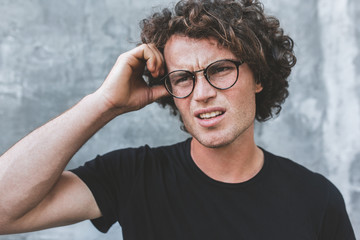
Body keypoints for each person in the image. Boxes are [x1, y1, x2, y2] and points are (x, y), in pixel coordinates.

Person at [0, 0, 356, 239]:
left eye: (220, 70)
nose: (201, 93)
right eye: (184, 78)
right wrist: (104, 103)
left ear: (259, 77)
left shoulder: (316, 199)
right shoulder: (133, 176)